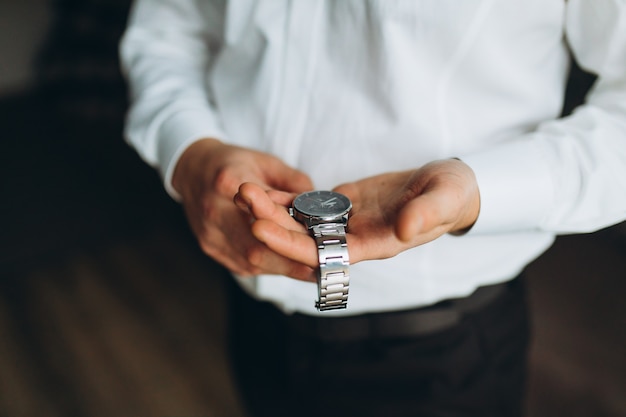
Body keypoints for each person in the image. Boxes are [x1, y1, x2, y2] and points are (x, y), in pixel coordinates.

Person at [119, 1, 626, 416]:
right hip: (254, 317)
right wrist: (189, 150)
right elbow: (169, 27)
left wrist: (477, 189)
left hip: (440, 359)